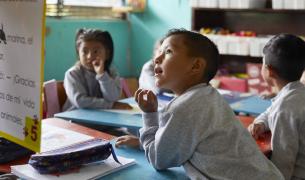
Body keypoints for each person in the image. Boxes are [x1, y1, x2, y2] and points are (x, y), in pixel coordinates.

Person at [134, 28, 283, 179]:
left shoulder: (183, 108)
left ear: (196, 66)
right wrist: (143, 142)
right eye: (159, 51)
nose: (157, 59)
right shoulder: (208, 95)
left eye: (168, 51)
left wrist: (149, 114)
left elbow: (158, 159)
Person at [248, 34, 305, 180]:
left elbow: (283, 162)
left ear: (269, 70)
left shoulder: (285, 108)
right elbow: (271, 111)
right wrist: (261, 122)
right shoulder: (297, 93)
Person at [63, 28, 131, 111]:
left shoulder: (112, 73)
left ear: (107, 54)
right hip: (74, 119)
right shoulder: (72, 74)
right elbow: (80, 101)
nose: (90, 56)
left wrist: (102, 75)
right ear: (78, 53)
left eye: (95, 51)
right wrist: (111, 105)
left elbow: (113, 98)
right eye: (85, 51)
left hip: (101, 117)